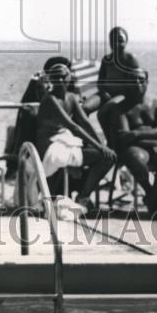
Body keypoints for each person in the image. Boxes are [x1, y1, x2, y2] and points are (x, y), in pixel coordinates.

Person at [97, 68, 157, 215]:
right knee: (135, 156)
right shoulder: (121, 108)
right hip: (136, 150)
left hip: (154, 148)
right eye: (132, 80)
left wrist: (136, 133)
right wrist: (154, 139)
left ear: (147, 82)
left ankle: (152, 197)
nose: (137, 84)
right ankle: (152, 192)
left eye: (141, 80)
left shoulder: (155, 105)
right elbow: (124, 138)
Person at [35, 60, 116, 212]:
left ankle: (83, 196)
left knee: (108, 157)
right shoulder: (50, 99)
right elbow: (72, 126)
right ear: (51, 80)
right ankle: (61, 197)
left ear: (68, 78)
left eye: (62, 77)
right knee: (96, 152)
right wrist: (99, 147)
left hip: (65, 140)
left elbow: (85, 122)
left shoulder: (71, 97)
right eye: (55, 77)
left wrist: (101, 147)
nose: (59, 80)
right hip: (50, 145)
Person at [95, 27, 142, 106]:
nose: (116, 44)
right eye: (113, 40)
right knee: (85, 107)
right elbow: (100, 81)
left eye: (120, 41)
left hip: (123, 95)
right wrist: (103, 92)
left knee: (108, 107)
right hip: (106, 93)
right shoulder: (106, 59)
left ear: (126, 41)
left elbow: (138, 86)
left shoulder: (130, 59)